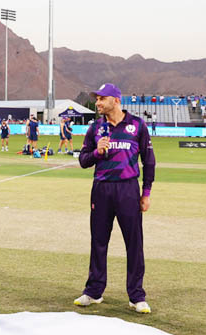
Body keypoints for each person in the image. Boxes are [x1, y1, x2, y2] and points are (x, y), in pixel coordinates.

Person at [74, 83, 156, 314]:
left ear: (116, 100)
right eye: (97, 99)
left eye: (102, 98)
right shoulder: (95, 128)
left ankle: (136, 296)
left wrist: (146, 193)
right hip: (101, 189)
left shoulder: (137, 125)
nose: (97, 102)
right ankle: (94, 291)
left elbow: (149, 161)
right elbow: (83, 161)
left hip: (128, 190)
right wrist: (96, 152)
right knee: (98, 242)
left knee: (134, 243)